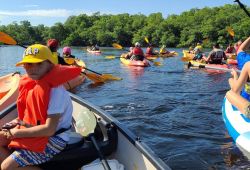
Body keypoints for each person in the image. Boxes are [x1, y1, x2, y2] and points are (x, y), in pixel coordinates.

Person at [0, 44, 82, 169]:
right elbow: (30, 116)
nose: (33, 69)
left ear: (50, 65)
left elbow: (49, 129)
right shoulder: (32, 85)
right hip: (35, 130)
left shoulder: (56, 92)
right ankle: (19, 164)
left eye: (39, 64)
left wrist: (16, 133)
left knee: (6, 167)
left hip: (55, 138)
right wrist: (15, 123)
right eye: (28, 64)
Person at [235, 36, 250, 100]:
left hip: (246, 98)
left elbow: (240, 50)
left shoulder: (247, 63)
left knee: (230, 81)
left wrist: (235, 75)